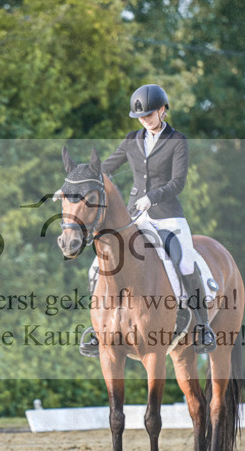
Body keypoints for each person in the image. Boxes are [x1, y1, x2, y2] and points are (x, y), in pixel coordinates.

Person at [79, 83, 217, 357]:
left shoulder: (177, 141)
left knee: (185, 262)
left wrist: (152, 197)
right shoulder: (132, 139)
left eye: (149, 114)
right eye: (140, 116)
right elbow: (104, 168)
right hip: (134, 216)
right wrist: (79, 183)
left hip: (167, 216)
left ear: (163, 110)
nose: (144, 120)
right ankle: (97, 329)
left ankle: (202, 326)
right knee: (96, 266)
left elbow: (178, 182)